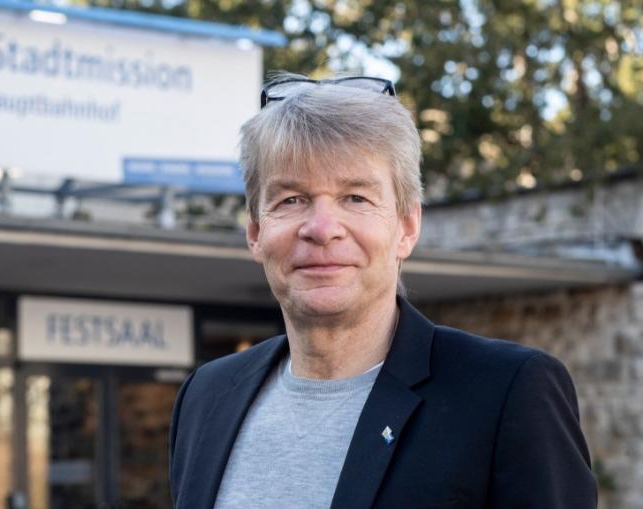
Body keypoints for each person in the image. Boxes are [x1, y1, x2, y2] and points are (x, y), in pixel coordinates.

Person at [168, 73, 597, 509]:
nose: (321, 229)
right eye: (291, 200)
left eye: (356, 198)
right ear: (256, 232)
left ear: (407, 227)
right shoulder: (206, 397)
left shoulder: (506, 394)